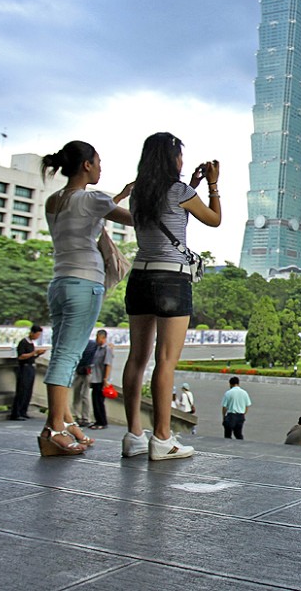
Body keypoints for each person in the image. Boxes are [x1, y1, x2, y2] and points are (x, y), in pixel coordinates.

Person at [121, 132, 220, 460]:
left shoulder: (137, 193)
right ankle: (162, 438)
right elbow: (214, 220)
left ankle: (134, 434)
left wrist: (189, 183)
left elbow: (163, 213)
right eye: (179, 154)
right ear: (170, 159)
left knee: (137, 358)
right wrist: (212, 186)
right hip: (171, 279)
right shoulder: (180, 191)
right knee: (165, 360)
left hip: (139, 275)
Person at [38, 141, 133, 456]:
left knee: (61, 354)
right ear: (87, 166)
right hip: (85, 282)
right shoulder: (93, 198)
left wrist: (117, 196)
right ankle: (53, 430)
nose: (101, 167)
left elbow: (87, 216)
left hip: (60, 281)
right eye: (99, 162)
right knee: (68, 356)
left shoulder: (54, 200)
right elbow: (132, 220)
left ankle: (65, 424)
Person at [10, 325, 45, 421]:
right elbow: (21, 356)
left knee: (28, 391)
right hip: (24, 368)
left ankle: (23, 411)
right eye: (37, 334)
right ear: (32, 333)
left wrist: (37, 354)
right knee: (22, 390)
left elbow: (30, 357)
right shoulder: (23, 342)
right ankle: (16, 413)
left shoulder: (31, 343)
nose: (37, 337)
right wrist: (33, 353)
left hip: (31, 367)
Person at [87, 330, 113, 429]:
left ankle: (102, 422)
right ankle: (98, 421)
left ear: (103, 338)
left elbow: (108, 365)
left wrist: (105, 379)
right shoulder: (97, 348)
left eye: (99, 338)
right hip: (94, 378)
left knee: (99, 401)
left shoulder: (107, 349)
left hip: (101, 379)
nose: (97, 340)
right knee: (95, 400)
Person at [71, 339, 94, 426]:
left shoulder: (91, 344)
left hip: (85, 371)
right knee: (81, 395)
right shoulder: (92, 344)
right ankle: (82, 417)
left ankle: (82, 417)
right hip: (81, 371)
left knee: (83, 396)